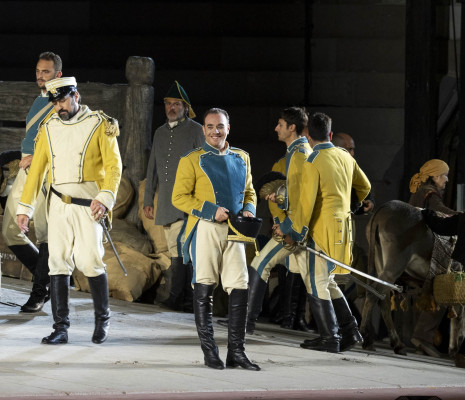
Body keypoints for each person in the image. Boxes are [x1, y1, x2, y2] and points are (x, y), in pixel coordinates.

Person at [16, 77, 122, 345]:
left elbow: (113, 167)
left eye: (62, 100)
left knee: (90, 261)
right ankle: (60, 328)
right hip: (58, 205)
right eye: (54, 102)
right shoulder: (49, 127)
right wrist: (25, 208)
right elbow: (37, 172)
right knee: (57, 263)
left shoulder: (99, 124)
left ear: (76, 95)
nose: (58, 107)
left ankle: (102, 320)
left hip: (88, 206)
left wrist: (105, 197)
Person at [172, 108, 260, 371]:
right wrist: (211, 210)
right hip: (206, 228)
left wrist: (249, 210)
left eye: (220, 126)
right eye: (210, 126)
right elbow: (179, 197)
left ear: (228, 128)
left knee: (240, 286)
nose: (215, 131)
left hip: (235, 230)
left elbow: (250, 193)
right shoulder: (191, 160)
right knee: (205, 285)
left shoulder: (242, 157)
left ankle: (237, 353)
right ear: (203, 130)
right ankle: (210, 352)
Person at [278, 112, 371, 353]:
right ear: (330, 134)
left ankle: (330, 337)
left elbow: (306, 204)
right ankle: (351, 331)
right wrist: (353, 203)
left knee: (317, 281)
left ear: (308, 136)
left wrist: (296, 233)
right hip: (345, 228)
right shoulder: (345, 156)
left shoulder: (312, 161)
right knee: (328, 281)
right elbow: (365, 186)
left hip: (322, 229)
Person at [2, 52, 62, 312]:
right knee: (10, 230)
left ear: (58, 75)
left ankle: (40, 292)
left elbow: (61, 142)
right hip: (26, 171)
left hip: (45, 173)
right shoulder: (40, 98)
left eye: (46, 72)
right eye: (38, 71)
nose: (40, 75)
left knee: (45, 234)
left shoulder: (61, 101)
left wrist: (37, 158)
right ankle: (47, 279)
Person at [246, 107, 312, 334]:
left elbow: (304, 194)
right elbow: (295, 191)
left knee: (260, 264)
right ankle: (344, 329)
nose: (276, 128)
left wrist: (286, 224)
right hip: (295, 225)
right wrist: (281, 196)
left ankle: (246, 322)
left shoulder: (300, 153)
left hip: (295, 227)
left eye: (280, 124)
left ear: (291, 127)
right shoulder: (297, 152)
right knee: (318, 283)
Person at [143, 81, 204, 312]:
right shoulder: (159, 132)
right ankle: (184, 299)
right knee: (174, 249)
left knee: (183, 249)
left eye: (176, 104)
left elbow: (203, 164)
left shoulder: (196, 130)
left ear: (185, 107)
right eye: (168, 104)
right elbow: (152, 169)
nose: (171, 108)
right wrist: (148, 200)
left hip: (188, 200)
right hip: (166, 200)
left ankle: (178, 297)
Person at [408, 159, 459, 357]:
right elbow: (442, 213)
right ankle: (423, 336)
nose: (446, 180)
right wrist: (460, 216)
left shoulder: (419, 190)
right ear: (436, 176)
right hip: (424, 251)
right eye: (444, 175)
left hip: (416, 248)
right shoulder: (429, 192)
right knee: (447, 282)